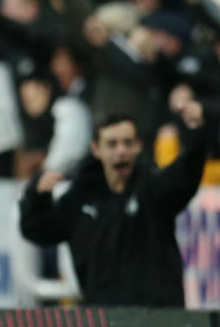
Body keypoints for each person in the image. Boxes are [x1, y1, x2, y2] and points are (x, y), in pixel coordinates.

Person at [19, 101, 207, 306]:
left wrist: (195, 132)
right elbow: (36, 229)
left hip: (157, 318)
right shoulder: (80, 197)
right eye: (112, 144)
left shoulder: (154, 189)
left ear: (138, 146)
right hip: (102, 320)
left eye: (127, 143)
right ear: (96, 149)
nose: (121, 151)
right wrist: (37, 197)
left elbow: (186, 175)